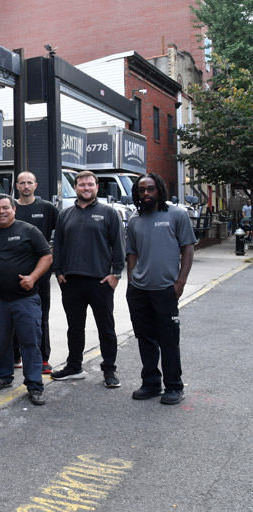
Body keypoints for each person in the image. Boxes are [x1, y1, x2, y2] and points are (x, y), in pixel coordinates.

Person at [126, 173, 196, 405]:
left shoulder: (177, 214)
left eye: (150, 189)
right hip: (138, 290)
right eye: (141, 190)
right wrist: (131, 281)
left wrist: (180, 283)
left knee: (168, 339)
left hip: (166, 289)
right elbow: (132, 253)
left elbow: (187, 248)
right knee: (145, 338)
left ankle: (174, 386)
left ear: (159, 190)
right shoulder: (134, 219)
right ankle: (151, 383)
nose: (145, 194)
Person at [51, 170, 126, 387]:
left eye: (90, 184)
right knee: (74, 327)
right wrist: (58, 272)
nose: (86, 188)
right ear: (75, 187)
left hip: (100, 281)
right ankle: (74, 366)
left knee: (106, 328)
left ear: (96, 187)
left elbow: (119, 246)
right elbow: (59, 245)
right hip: (71, 281)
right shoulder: (65, 214)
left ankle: (109, 371)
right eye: (82, 185)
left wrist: (116, 274)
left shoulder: (109, 213)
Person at [0, 195, 52, 406]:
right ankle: (3, 376)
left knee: (30, 342)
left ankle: (34, 385)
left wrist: (32, 277)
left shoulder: (29, 230)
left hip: (26, 300)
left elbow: (47, 256)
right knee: (1, 340)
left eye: (5, 208)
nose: (1, 212)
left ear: (14, 209)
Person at [13, 171, 59, 374]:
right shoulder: (10, 207)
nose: (25, 186)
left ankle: (43, 359)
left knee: (41, 316)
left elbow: (62, 234)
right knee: (13, 315)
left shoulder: (47, 208)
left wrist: (54, 255)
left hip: (40, 273)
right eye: (22, 183)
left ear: (35, 185)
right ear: (16, 186)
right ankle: (15, 355)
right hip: (14, 273)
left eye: (29, 182)